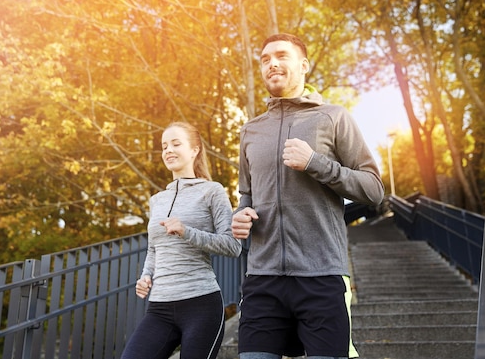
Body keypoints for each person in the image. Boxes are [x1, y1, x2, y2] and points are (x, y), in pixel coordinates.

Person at [231, 33, 385, 359]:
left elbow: (373, 190)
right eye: (265, 58)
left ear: (303, 66)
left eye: (281, 56)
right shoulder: (251, 130)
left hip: (321, 275)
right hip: (263, 278)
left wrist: (316, 163)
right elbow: (247, 194)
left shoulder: (333, 117)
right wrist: (241, 215)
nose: (272, 63)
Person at [121, 121, 242, 359]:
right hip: (159, 307)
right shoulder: (157, 200)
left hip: (201, 304)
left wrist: (187, 232)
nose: (168, 150)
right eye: (164, 146)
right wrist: (146, 275)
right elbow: (155, 249)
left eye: (176, 143)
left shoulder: (212, 191)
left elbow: (233, 245)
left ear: (194, 150)